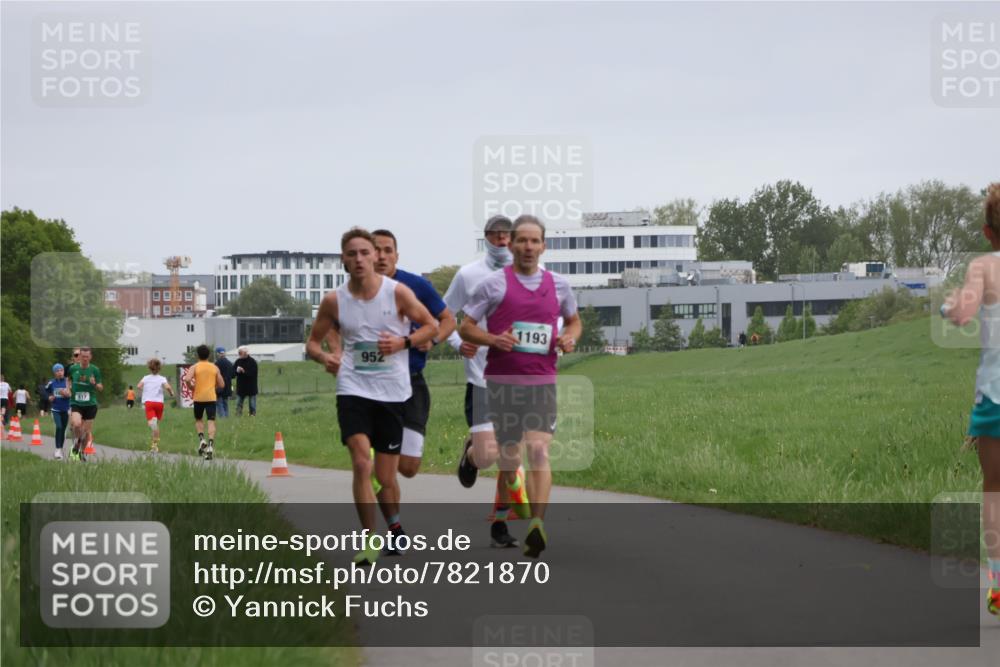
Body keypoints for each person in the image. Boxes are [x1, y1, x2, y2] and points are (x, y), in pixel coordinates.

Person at [307, 227, 438, 566]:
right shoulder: (334, 300)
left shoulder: (398, 293)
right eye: (352, 254)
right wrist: (326, 357)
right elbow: (312, 342)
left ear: (374, 256)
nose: (361, 259)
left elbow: (431, 326)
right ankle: (368, 540)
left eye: (365, 252)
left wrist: (403, 342)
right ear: (344, 261)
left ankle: (393, 523)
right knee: (361, 462)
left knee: (386, 476)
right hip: (353, 388)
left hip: (393, 392)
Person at [458, 214, 582, 558]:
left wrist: (569, 339)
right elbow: (466, 326)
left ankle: (536, 525)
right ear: (510, 245)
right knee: (508, 457)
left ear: (543, 246)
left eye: (534, 241)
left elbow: (573, 321)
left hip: (542, 381)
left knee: (539, 450)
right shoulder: (492, 285)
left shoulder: (559, 285)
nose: (528, 247)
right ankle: (503, 491)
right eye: (521, 240)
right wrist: (492, 339)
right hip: (501, 381)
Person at [445, 214, 524, 548]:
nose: (503, 242)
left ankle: (500, 526)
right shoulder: (468, 275)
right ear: (486, 238)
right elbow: (444, 315)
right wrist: (455, 343)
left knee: (511, 457)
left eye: (508, 236)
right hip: (481, 378)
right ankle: (471, 453)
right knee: (489, 456)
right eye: (496, 236)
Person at [943, 181, 1000, 618]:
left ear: (987, 231)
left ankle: (998, 585)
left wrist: (950, 307)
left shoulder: (984, 268)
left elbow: (962, 313)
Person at [373, 229, 457, 479]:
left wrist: (433, 338)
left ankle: (386, 454)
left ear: (396, 256)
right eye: (376, 249)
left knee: (408, 469)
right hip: (372, 384)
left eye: (388, 250)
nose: (381, 256)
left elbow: (448, 320)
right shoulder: (352, 290)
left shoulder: (416, 286)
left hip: (411, 381)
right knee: (380, 464)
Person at [183, 344, 224, 460]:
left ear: (197, 355)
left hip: (198, 397)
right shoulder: (214, 367)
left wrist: (191, 387)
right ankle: (210, 446)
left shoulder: (195, 367)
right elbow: (222, 384)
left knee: (199, 419)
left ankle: (202, 440)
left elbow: (186, 379)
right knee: (211, 421)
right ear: (209, 355)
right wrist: (212, 385)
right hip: (211, 397)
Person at [68, 346, 103, 462]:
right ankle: (77, 442)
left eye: (87, 357)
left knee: (86, 431)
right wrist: (68, 388)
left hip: (90, 404)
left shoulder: (95, 370)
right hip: (76, 402)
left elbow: (101, 388)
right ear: (80, 357)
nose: (84, 359)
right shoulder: (73, 369)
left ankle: (82, 452)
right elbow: (68, 380)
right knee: (77, 425)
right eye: (83, 357)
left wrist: (94, 384)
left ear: (90, 357)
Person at [138, 357, 175, 453]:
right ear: (159, 368)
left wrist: (146, 390)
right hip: (159, 403)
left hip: (149, 402)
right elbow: (167, 387)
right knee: (155, 424)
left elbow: (139, 386)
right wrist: (171, 393)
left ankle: (154, 445)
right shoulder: (162, 378)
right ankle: (154, 445)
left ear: (149, 368)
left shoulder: (145, 378)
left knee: (153, 424)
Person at [45, 364, 71, 459]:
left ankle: (60, 449)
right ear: (54, 373)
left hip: (66, 409)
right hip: (55, 409)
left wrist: (67, 394)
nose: (60, 372)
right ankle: (57, 449)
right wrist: (49, 397)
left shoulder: (67, 382)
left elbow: (71, 392)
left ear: (64, 371)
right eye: (57, 371)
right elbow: (45, 390)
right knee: (59, 427)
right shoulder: (51, 382)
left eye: (61, 370)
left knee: (63, 430)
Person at [233, 347, 259, 416]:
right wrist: (237, 371)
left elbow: (252, 374)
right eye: (239, 353)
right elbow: (233, 372)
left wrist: (243, 371)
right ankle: (238, 414)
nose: (239, 355)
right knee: (239, 402)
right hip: (241, 386)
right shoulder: (238, 361)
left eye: (240, 353)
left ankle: (252, 414)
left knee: (252, 403)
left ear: (245, 354)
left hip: (251, 386)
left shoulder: (252, 362)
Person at [215, 347, 235, 418]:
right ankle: (226, 417)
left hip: (219, 386)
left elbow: (215, 375)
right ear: (224, 353)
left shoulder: (217, 363)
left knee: (219, 403)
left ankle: (222, 418)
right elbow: (233, 375)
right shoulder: (230, 363)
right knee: (225, 403)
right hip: (228, 386)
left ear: (218, 354)